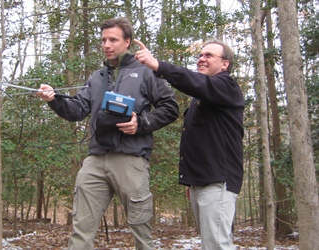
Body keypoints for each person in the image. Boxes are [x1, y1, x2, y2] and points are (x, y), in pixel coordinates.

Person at [36, 17, 179, 249]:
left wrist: (141, 123)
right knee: (81, 229)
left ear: (127, 42)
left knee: (141, 231)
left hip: (131, 159)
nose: (107, 45)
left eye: (113, 39)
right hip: (96, 159)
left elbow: (170, 108)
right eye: (103, 40)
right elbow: (76, 110)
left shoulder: (145, 72)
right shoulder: (96, 77)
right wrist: (53, 99)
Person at [134, 39, 244, 250]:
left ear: (225, 64)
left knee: (217, 245)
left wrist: (159, 66)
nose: (201, 59)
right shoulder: (202, 98)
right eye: (200, 55)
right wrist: (192, 178)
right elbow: (201, 139)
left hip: (219, 181)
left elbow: (194, 82)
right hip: (201, 181)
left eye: (209, 55)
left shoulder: (227, 87)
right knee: (210, 244)